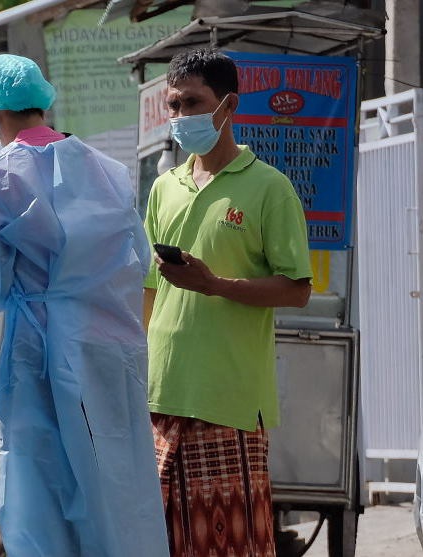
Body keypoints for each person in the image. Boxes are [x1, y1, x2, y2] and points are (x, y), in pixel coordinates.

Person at [0, 53, 168, 556]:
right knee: (116, 485)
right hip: (112, 345)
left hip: (43, 349)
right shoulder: (106, 169)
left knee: (42, 494)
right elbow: (136, 258)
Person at [143, 48, 312, 556]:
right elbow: (149, 291)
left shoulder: (269, 188)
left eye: (192, 103)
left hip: (229, 401)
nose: (179, 117)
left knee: (228, 545)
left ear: (229, 106)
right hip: (161, 398)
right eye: (172, 105)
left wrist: (217, 285)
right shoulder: (163, 188)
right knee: (161, 542)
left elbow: (297, 289)